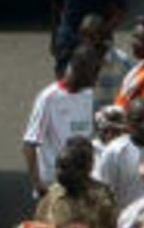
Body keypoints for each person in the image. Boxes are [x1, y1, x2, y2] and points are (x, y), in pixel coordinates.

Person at [35, 135, 122, 228]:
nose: (59, 173)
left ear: (83, 170)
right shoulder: (51, 196)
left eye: (65, 168)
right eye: (57, 167)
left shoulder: (102, 197)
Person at [26, 48, 102, 201]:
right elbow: (29, 144)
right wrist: (38, 185)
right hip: (54, 187)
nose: (95, 80)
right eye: (93, 73)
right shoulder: (49, 98)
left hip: (82, 185)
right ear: (79, 69)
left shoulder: (89, 95)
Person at [95, 97, 144, 214]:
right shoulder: (114, 152)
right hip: (126, 222)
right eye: (138, 120)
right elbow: (106, 193)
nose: (143, 125)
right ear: (128, 121)